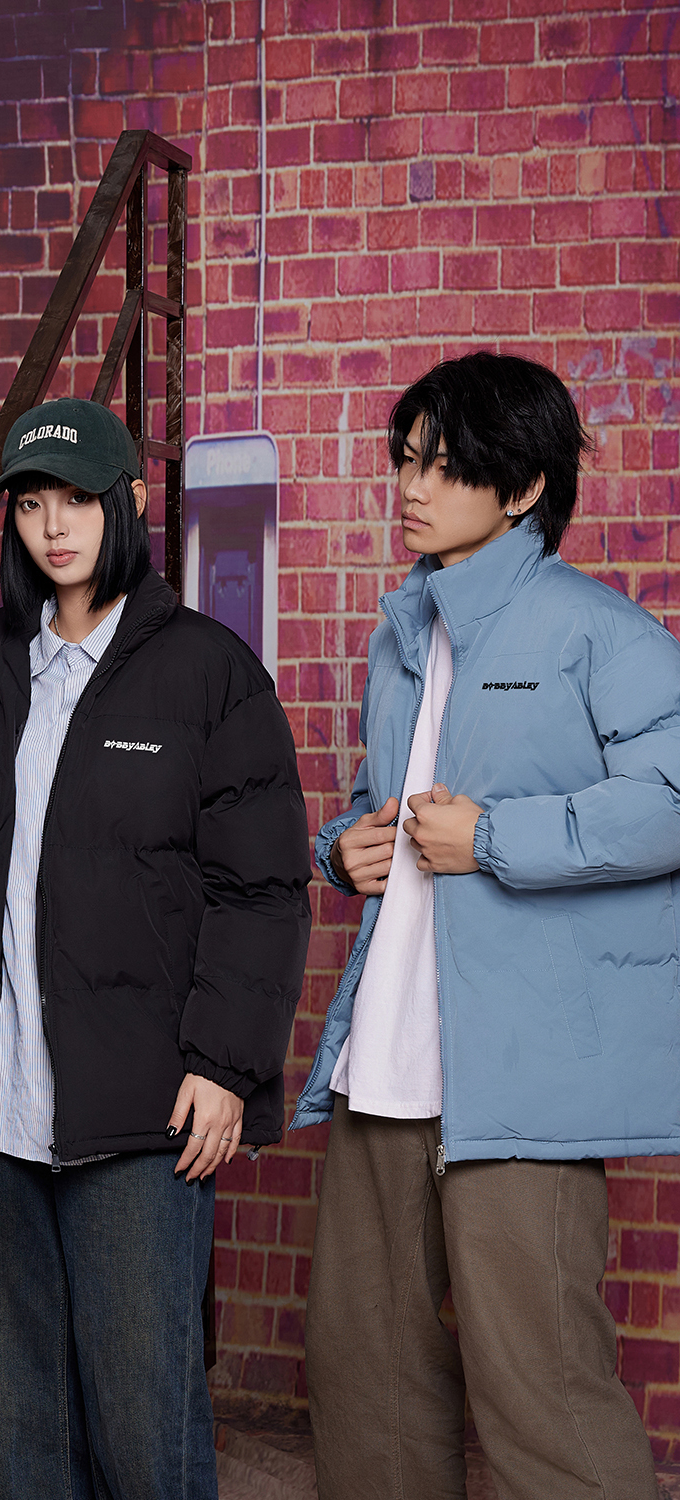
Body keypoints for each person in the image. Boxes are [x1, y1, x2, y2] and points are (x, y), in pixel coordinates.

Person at [296, 351, 679, 1500]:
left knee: (542, 1391)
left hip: (520, 1079)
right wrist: (344, 846)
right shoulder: (401, 634)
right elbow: (386, 801)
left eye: (446, 466)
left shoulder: (595, 633)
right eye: (406, 460)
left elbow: (671, 800)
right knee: (368, 1382)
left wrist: (499, 837)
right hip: (384, 1063)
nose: (411, 487)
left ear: (523, 488)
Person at [0, 396, 312, 1499]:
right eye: (31, 504)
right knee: (15, 1433)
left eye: (80, 501)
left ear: (129, 503)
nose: (54, 527)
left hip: (143, 1109)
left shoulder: (207, 672)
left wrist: (225, 1065)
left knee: (144, 1431)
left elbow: (262, 888)